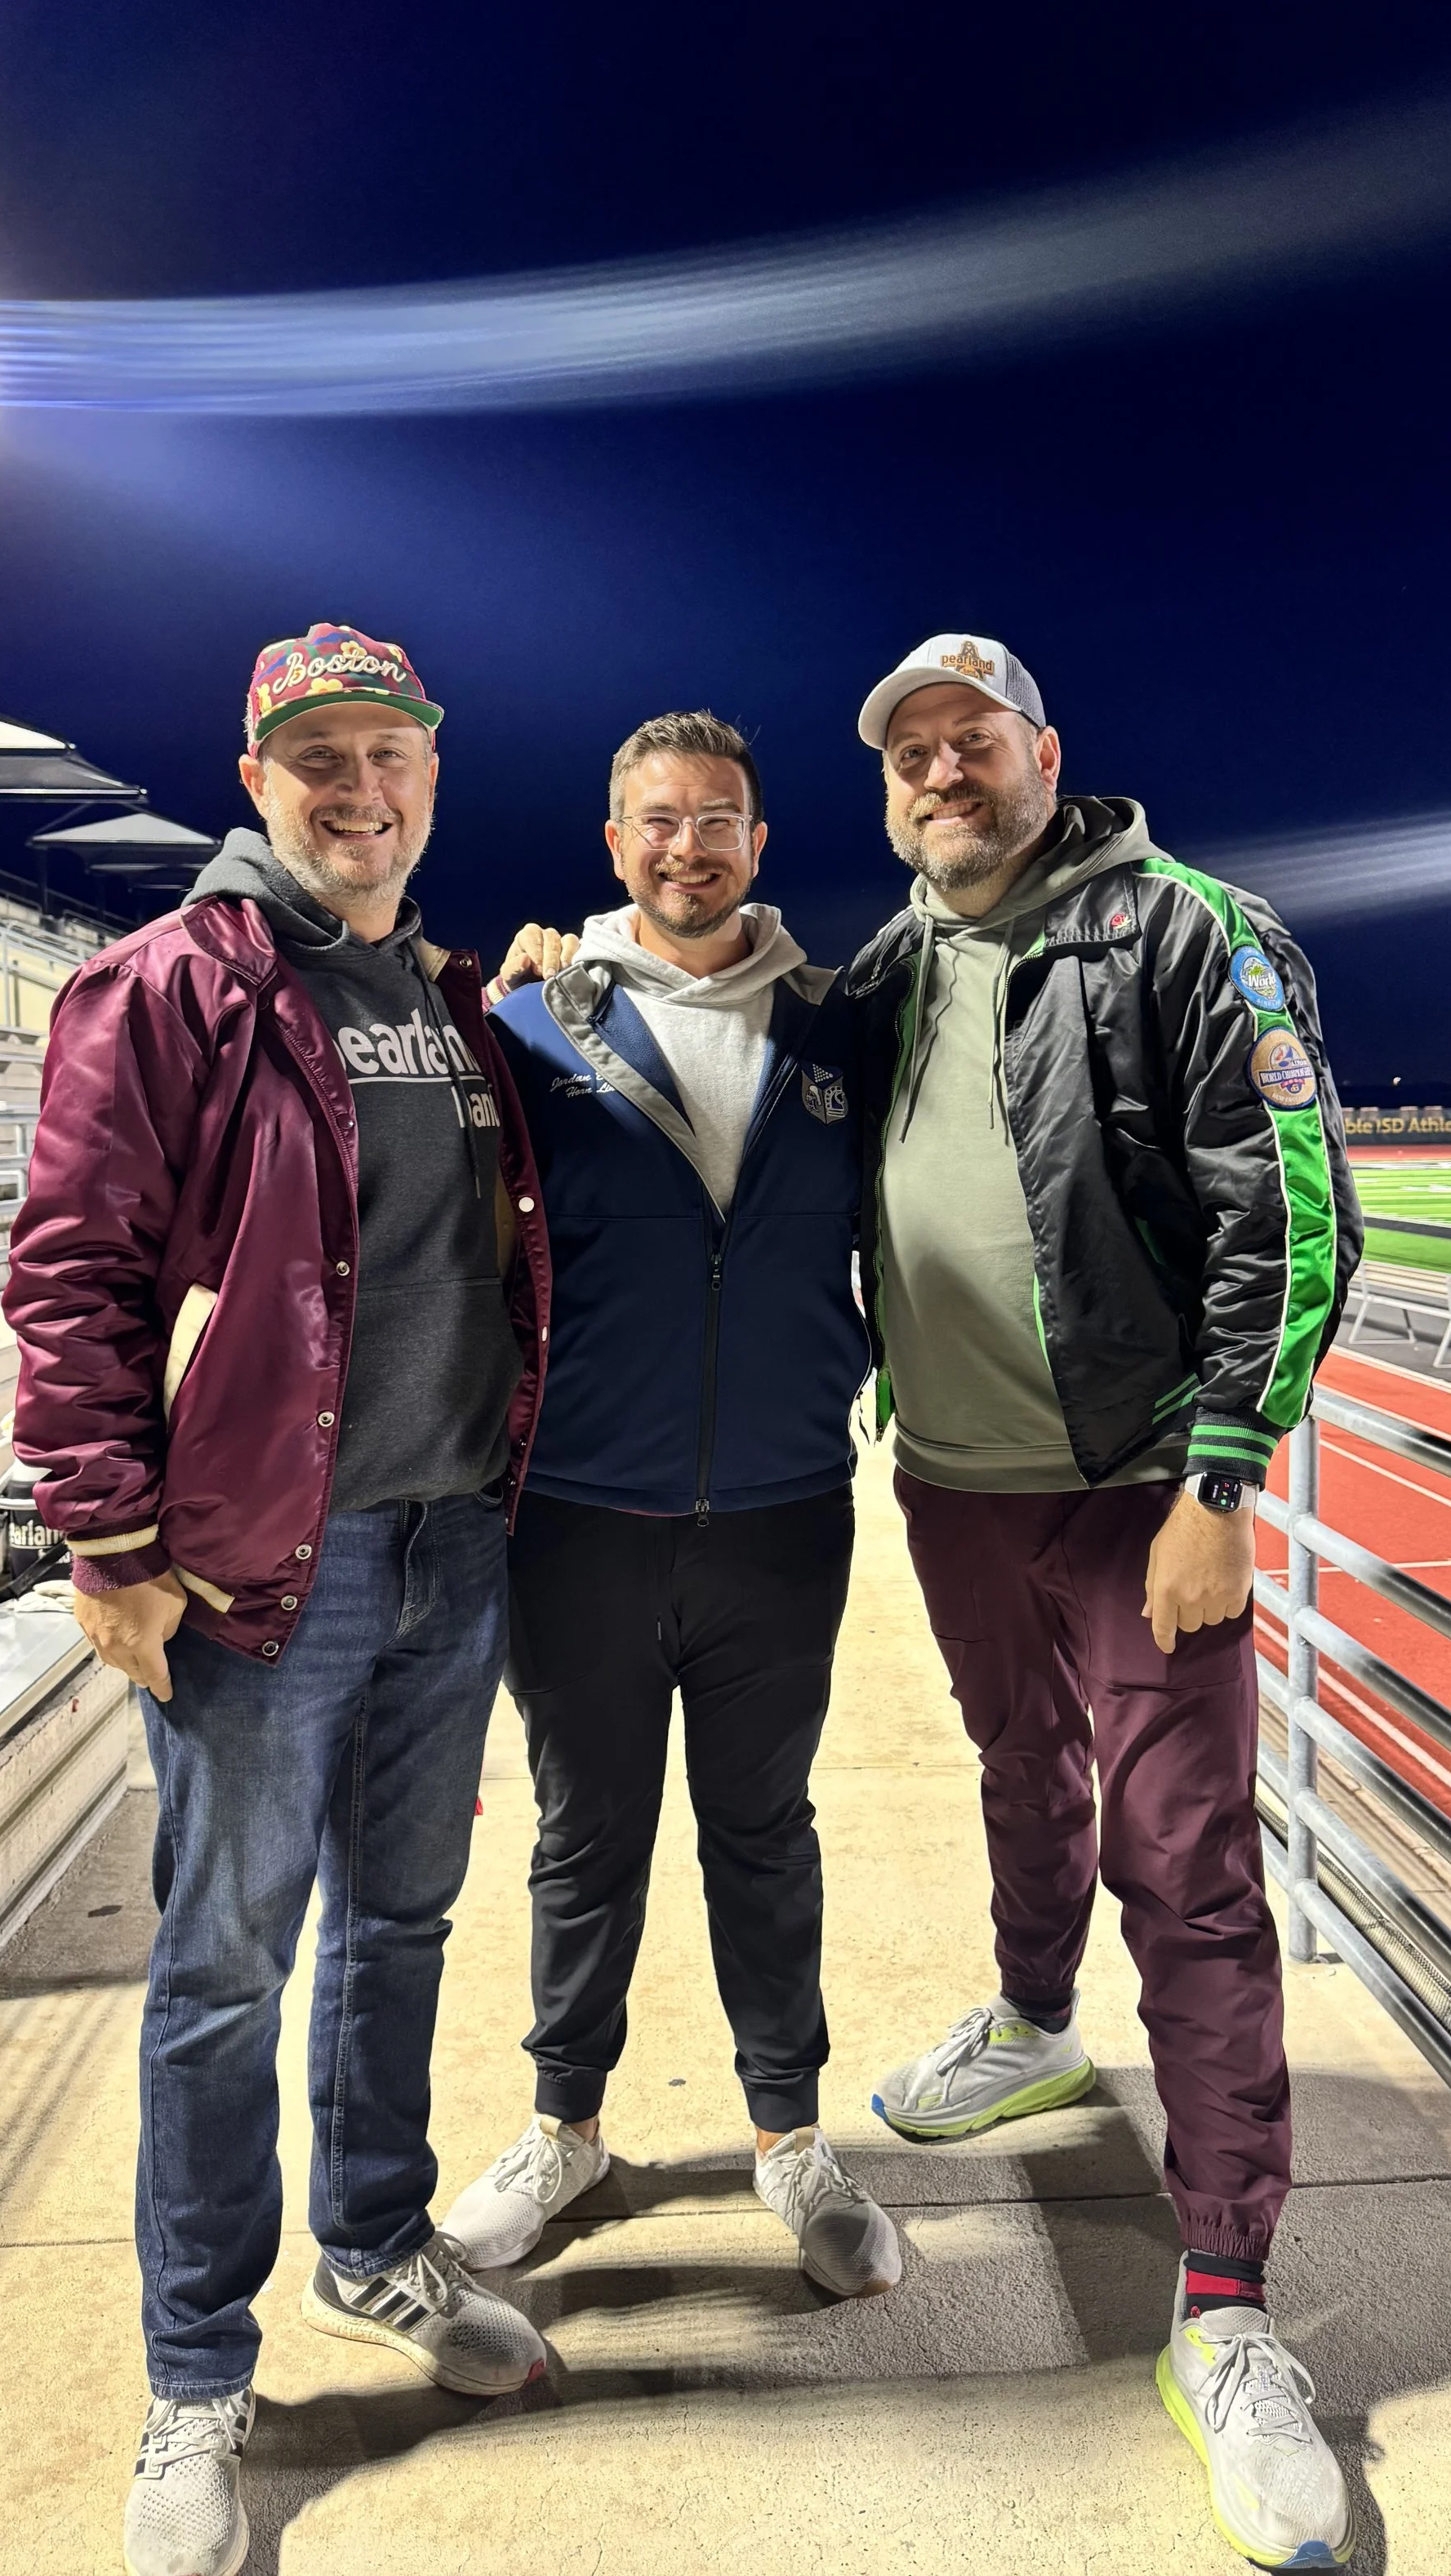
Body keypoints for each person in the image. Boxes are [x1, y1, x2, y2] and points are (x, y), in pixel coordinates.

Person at [3, 623, 554, 2576]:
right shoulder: (170, 987)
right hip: (261, 1565)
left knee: (401, 1922)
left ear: (430, 773)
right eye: (315, 756)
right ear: (258, 781)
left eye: (387, 754)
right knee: (225, 1967)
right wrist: (105, 1533)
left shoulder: (452, 997)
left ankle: (377, 2244)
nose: (357, 788)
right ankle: (192, 2371)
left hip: (449, 1543)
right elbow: (70, 1272)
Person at [846, 634, 1364, 2570]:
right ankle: (1036, 2018)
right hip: (959, 1482)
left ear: (1043, 751)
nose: (942, 772)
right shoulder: (897, 964)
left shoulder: (1184, 929)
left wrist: (1224, 1476)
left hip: (1145, 1486)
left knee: (1192, 1867)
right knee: (1015, 1772)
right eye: (912, 752)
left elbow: (1290, 1199)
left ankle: (1227, 2303)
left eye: (973, 740)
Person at [451, 710, 899, 2301]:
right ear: (611, 841)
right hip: (578, 1507)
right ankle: (562, 2122)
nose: (686, 843)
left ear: (758, 844)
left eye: (717, 817)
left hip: (783, 1509)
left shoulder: (851, 1025)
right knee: (586, 1838)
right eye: (656, 818)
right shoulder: (531, 1022)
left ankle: (789, 2135)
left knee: (763, 1831)